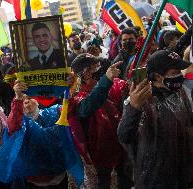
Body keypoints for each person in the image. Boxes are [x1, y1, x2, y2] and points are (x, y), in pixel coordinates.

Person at [118, 50, 193, 188]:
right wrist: (133, 108)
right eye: (175, 72)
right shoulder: (142, 100)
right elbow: (125, 136)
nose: (180, 75)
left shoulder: (180, 92)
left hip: (181, 169)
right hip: (155, 175)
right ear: (158, 77)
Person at [69, 53, 132, 189]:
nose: (100, 69)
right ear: (85, 74)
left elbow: (124, 93)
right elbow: (88, 106)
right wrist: (107, 80)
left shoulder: (111, 85)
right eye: (95, 67)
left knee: (125, 179)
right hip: (99, 153)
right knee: (103, 182)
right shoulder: (76, 97)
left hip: (120, 145)